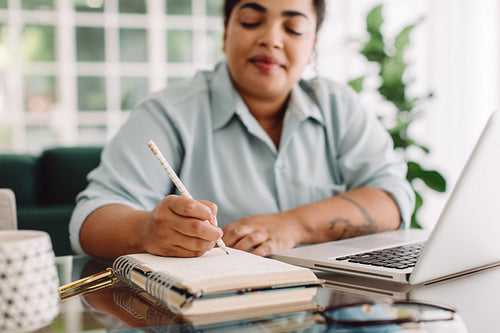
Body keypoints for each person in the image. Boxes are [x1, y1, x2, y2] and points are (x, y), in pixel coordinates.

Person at [69, 0, 414, 261]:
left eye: (293, 28)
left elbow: (392, 197)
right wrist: (144, 231)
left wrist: (293, 225)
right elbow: (90, 219)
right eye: (252, 21)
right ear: (225, 33)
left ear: (312, 48)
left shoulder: (339, 105)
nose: (271, 39)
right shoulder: (168, 112)